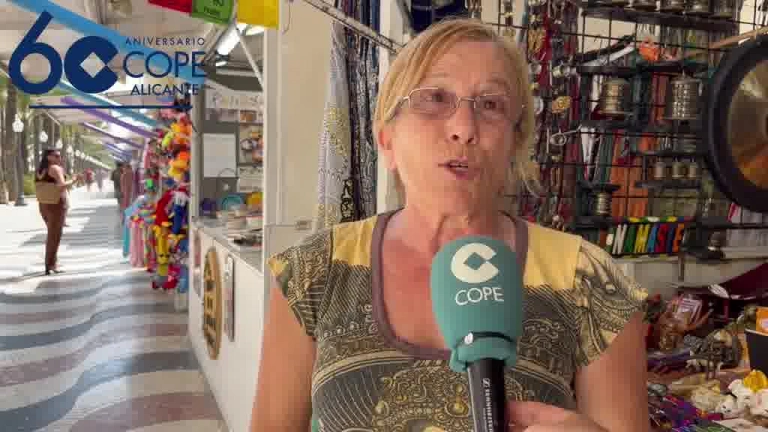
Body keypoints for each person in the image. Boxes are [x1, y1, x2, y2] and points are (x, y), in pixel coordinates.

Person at [251, 18, 650, 432]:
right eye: (435, 98)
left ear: (515, 142)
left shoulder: (589, 280)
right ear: (387, 140)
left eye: (491, 104)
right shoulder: (313, 271)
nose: (464, 129)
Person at [35, 149, 80, 275]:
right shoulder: (55, 168)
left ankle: (51, 263)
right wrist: (74, 180)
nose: (60, 158)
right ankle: (50, 264)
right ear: (49, 157)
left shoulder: (40, 170)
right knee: (55, 236)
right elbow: (61, 186)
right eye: (56, 156)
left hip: (43, 204)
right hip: (56, 204)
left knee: (51, 234)